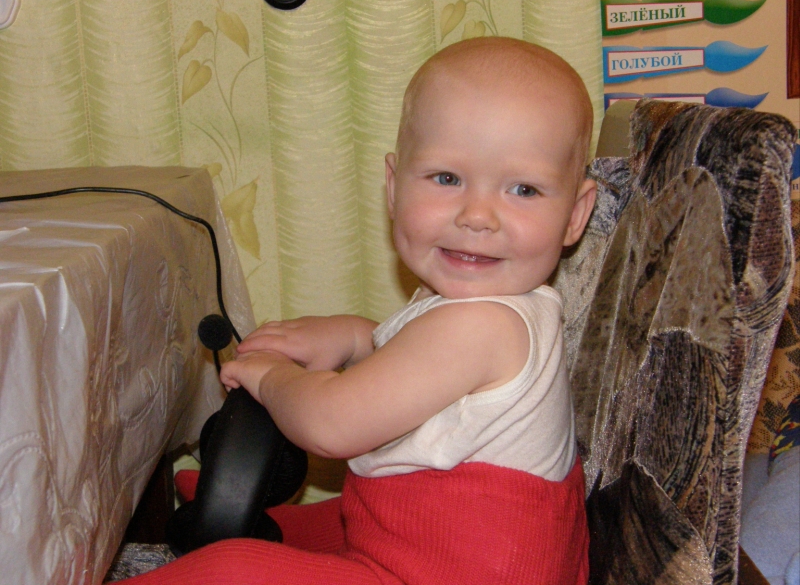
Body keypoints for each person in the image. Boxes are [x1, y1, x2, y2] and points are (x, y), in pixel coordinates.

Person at [122, 36, 596, 585]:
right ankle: (240, 518)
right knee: (332, 516)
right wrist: (354, 338)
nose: (477, 216)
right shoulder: (496, 310)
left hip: (447, 570)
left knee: (229, 571)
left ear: (575, 214)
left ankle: (224, 542)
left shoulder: (484, 324)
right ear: (393, 188)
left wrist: (273, 378)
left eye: (524, 190)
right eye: (447, 179)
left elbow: (332, 425)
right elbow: (425, 371)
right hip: (426, 543)